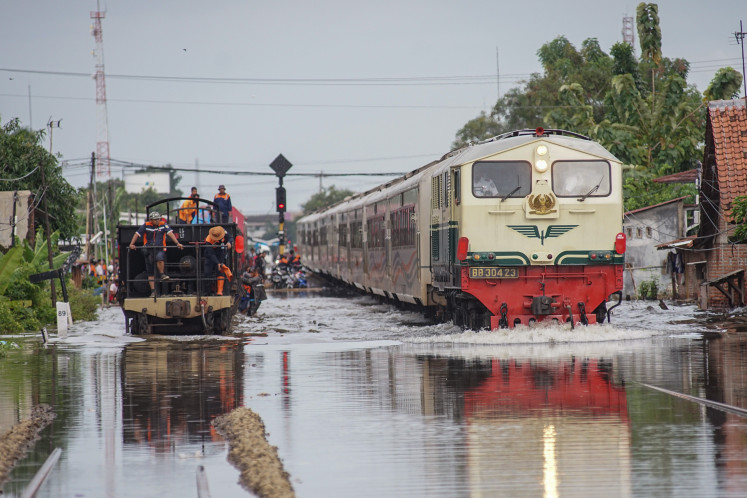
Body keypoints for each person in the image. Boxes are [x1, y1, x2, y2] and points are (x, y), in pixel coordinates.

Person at [129, 211, 184, 296]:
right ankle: (153, 291)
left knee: (160, 258)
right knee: (150, 272)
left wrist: (177, 243)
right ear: (151, 220)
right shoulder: (146, 225)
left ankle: (162, 274)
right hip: (148, 250)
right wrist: (132, 244)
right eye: (155, 220)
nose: (157, 221)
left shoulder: (163, 225)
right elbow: (137, 234)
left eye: (158, 219)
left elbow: (170, 234)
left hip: (160, 248)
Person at [203, 225, 233, 296]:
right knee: (207, 272)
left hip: (221, 254)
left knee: (221, 271)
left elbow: (231, 238)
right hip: (210, 257)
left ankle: (220, 291)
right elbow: (211, 254)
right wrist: (217, 263)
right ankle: (208, 292)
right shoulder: (208, 240)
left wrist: (229, 243)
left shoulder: (223, 232)